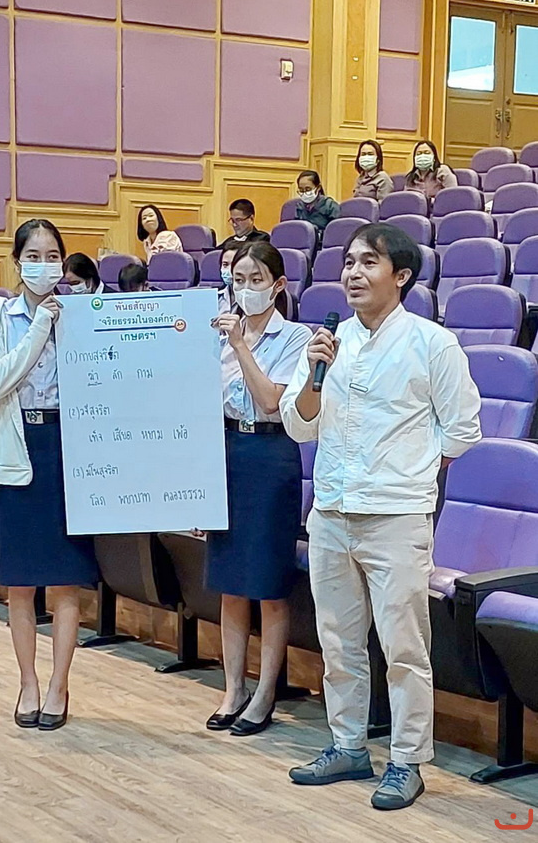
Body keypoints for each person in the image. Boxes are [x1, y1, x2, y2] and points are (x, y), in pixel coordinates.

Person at [281, 223, 481, 810]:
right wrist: (314, 373)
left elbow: (463, 429)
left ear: (402, 276)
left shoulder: (432, 344)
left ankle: (406, 760)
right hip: (332, 511)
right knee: (338, 642)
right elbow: (299, 424)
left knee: (403, 647)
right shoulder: (327, 343)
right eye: (348, 262)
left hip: (396, 517)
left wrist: (411, 472)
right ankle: (347, 746)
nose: (353, 272)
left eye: (368, 262)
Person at [0, 218, 98, 731]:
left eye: (53, 256)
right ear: (17, 261)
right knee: (21, 582)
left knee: (67, 580)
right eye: (34, 255)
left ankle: (58, 685)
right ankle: (27, 681)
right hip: (17, 448)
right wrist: (40, 327)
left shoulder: (80, 315)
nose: (44, 265)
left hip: (68, 449)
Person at [204, 241, 312, 736]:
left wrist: (241, 347)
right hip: (227, 452)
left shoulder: (295, 337)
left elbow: (271, 400)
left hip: (272, 455)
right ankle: (234, 688)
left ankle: (266, 691)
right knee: (230, 583)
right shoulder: (217, 336)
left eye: (256, 280)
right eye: (239, 280)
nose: (246, 289)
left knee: (268, 584)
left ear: (278, 285)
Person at [218, 240, 243, 315]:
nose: (229, 269)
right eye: (225, 264)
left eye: (234, 264)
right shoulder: (215, 296)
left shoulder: (254, 299)